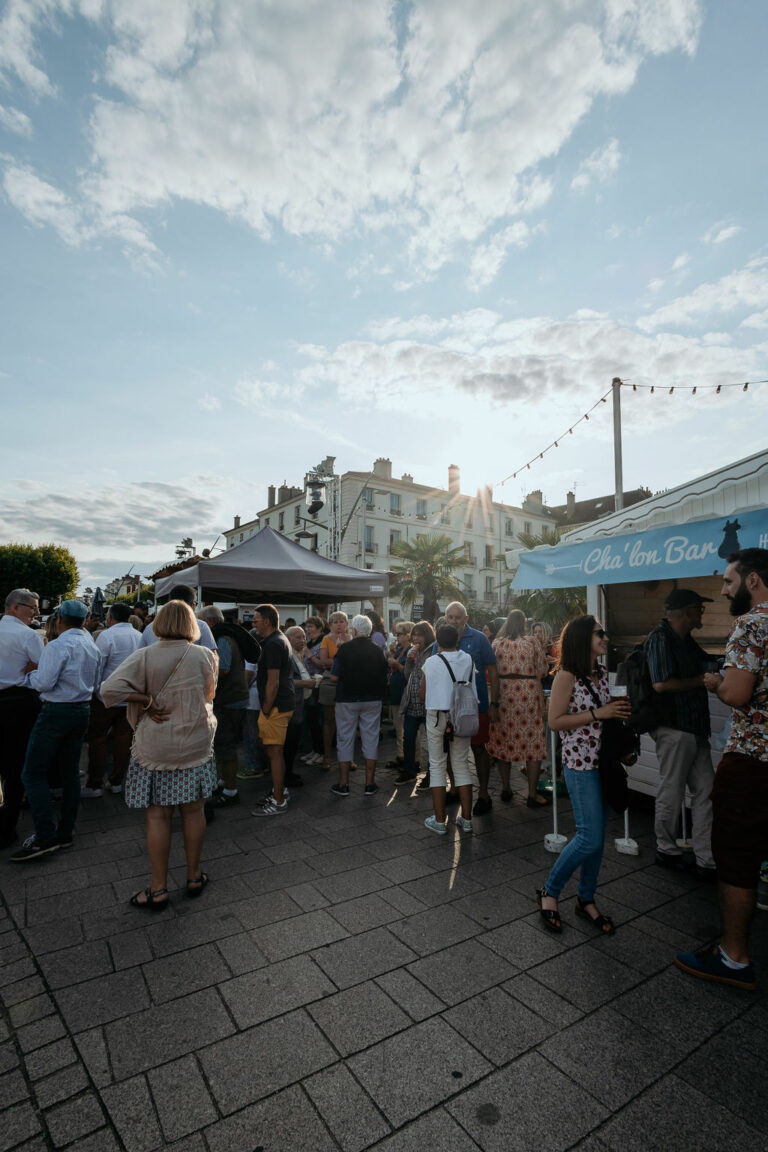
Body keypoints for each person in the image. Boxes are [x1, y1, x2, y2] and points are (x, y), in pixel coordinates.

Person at [675, 548, 768, 990]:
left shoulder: (752, 623)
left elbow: (736, 693)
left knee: (736, 857)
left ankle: (734, 957)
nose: (723, 589)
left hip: (752, 760)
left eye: (729, 582)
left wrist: (715, 681)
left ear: (752, 581)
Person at [99, 599, 218, 908]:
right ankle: (194, 876)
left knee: (158, 815)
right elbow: (208, 695)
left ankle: (158, 889)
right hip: (195, 741)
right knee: (194, 810)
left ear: (159, 623)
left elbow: (108, 691)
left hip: (156, 747)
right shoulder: (206, 655)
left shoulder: (145, 655)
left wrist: (145, 700)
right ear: (191, 624)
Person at [536, 616, 632, 934]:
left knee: (597, 837)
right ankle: (550, 892)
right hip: (580, 766)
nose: (605, 637)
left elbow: (609, 715)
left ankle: (585, 898)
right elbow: (555, 722)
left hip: (603, 764)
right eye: (599, 633)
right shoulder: (567, 675)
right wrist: (598, 713)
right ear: (582, 638)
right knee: (589, 836)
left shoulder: (603, 673)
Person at [11, 600, 102, 862]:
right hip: (82, 710)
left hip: (57, 711)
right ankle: (65, 831)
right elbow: (95, 684)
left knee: (32, 773)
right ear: (84, 620)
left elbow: (44, 683)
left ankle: (44, 835)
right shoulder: (90, 644)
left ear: (59, 619)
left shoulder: (58, 645)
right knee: (70, 772)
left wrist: (30, 674)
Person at [645, 588, 716, 879]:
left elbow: (706, 662)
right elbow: (661, 684)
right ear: (685, 611)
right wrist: (702, 679)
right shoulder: (660, 638)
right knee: (672, 789)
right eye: (699, 608)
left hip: (694, 728)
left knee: (708, 791)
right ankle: (666, 849)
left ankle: (706, 858)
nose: (702, 613)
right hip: (674, 727)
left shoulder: (685, 640)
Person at [487, 609, 549, 806]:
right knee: (534, 743)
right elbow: (542, 671)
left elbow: (492, 673)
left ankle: (506, 788)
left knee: (503, 741)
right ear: (523, 623)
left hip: (504, 695)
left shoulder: (496, 643)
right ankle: (531, 793)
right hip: (528, 695)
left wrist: (494, 702)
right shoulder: (532, 642)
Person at [82, 602, 143, 797]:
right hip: (131, 696)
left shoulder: (107, 636)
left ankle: (95, 784)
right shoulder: (139, 636)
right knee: (124, 739)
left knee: (97, 739)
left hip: (106, 697)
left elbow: (98, 666)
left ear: (110, 617)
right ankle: (116, 782)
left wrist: (93, 691)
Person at [443, 602, 499, 814]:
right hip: (448, 707)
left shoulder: (479, 639)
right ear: (446, 618)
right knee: (449, 748)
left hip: (477, 705)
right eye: (450, 617)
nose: (454, 621)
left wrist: (494, 702)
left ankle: (484, 794)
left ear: (466, 618)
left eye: (458, 617)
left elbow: (493, 670)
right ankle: (455, 788)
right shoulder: (442, 638)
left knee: (478, 749)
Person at [420, 624, 476, 834]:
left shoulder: (432, 661)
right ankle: (467, 820)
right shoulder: (468, 659)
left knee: (437, 766)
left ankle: (439, 820)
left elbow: (423, 694)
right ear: (458, 640)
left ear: (438, 642)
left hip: (437, 716)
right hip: (461, 716)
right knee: (461, 764)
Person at [0, 588, 44, 850]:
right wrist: (35, 665)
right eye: (32, 607)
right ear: (15, 607)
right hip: (17, 703)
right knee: (15, 767)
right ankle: (6, 829)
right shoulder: (28, 635)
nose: (36, 613)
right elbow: (46, 667)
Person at [329, 614, 387, 797]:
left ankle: (344, 783)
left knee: (345, 738)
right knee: (370, 738)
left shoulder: (344, 649)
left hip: (347, 698)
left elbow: (334, 677)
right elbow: (384, 675)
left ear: (353, 630)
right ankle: (369, 783)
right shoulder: (378, 650)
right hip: (372, 698)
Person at [198, 606, 250, 810]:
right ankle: (223, 782)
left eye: (201, 622)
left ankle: (231, 791)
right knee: (222, 745)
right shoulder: (225, 636)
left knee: (226, 745)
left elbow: (223, 669)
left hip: (230, 700)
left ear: (210, 622)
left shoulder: (222, 640)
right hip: (232, 698)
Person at [250, 604, 295, 816]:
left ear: (267, 621)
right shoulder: (277, 640)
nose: (254, 623)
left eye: (256, 620)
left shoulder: (274, 643)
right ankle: (280, 791)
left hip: (276, 706)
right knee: (271, 750)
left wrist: (266, 707)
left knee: (275, 752)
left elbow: (273, 681)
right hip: (279, 704)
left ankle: (278, 801)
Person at [395, 622, 434, 787]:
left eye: (420, 635)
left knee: (432, 741)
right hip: (412, 701)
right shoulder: (413, 651)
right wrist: (410, 661)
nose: (416, 638)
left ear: (427, 635)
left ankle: (432, 774)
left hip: (428, 701)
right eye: (415, 635)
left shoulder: (433, 650)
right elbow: (407, 675)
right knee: (408, 737)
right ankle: (409, 771)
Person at [284, 626, 317, 787]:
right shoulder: (287, 656)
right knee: (289, 743)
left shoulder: (298, 654)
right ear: (289, 639)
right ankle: (286, 775)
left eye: (304, 637)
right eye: (299, 637)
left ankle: (289, 772)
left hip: (299, 705)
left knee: (293, 743)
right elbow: (286, 681)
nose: (303, 640)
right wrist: (306, 682)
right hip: (292, 707)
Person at [316, 611, 350, 771]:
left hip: (348, 682)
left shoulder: (351, 640)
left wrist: (335, 661)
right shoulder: (326, 639)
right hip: (329, 682)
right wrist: (343, 660)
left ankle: (347, 759)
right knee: (329, 722)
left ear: (347, 624)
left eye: (342, 621)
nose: (339, 624)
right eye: (335, 622)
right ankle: (327, 757)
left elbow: (354, 660)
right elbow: (323, 661)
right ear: (330, 625)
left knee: (348, 723)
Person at [142, 585, 216, 650]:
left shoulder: (150, 627)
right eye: (195, 604)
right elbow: (212, 660)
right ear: (192, 605)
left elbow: (140, 653)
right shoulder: (201, 626)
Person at [386, 621, 413, 772]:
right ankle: (400, 755)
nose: (397, 637)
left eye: (399, 634)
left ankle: (411, 759)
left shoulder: (411, 650)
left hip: (405, 693)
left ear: (408, 634)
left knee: (407, 729)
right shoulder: (398, 648)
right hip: (396, 692)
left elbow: (409, 672)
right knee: (398, 728)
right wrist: (391, 655)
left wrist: (396, 665)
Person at [299, 616, 326, 766]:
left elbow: (323, 664)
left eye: (311, 627)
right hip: (309, 684)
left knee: (317, 720)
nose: (308, 630)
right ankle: (315, 750)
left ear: (319, 628)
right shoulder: (309, 642)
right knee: (311, 720)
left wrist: (309, 655)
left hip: (318, 685)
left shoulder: (323, 642)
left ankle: (321, 752)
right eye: (307, 626)